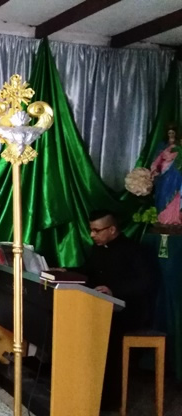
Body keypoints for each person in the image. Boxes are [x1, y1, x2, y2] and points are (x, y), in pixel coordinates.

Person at [77, 209, 156, 411]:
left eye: (97, 230)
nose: (92, 235)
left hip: (129, 312)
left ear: (112, 230)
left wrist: (114, 291)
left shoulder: (134, 250)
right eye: (91, 230)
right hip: (102, 307)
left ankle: (107, 401)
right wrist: (62, 271)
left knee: (107, 334)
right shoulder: (98, 249)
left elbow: (145, 283)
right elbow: (87, 272)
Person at [150, 124, 181, 224]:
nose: (171, 135)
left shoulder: (179, 145)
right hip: (164, 173)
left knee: (175, 195)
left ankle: (173, 217)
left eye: (173, 133)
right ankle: (163, 217)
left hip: (175, 173)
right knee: (163, 194)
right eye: (169, 133)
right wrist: (155, 169)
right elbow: (158, 159)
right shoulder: (163, 145)